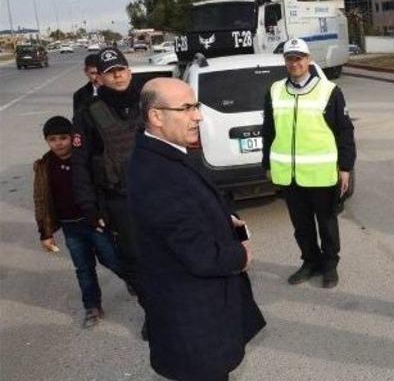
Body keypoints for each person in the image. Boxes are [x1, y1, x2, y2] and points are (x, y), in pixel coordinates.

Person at [127, 78, 266, 381]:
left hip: (203, 311)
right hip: (193, 320)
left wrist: (226, 217)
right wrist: (240, 255)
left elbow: (199, 200)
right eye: (187, 108)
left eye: (197, 107)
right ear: (156, 116)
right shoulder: (154, 173)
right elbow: (199, 253)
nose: (198, 116)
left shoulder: (168, 153)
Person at [262, 38, 356, 289]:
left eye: (299, 58)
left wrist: (345, 167)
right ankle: (310, 262)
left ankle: (329, 266)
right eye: (290, 59)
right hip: (289, 175)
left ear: (309, 60)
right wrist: (267, 165)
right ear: (285, 62)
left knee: (326, 224)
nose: (294, 63)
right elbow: (268, 131)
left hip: (321, 173)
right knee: (301, 225)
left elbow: (345, 131)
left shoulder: (329, 91)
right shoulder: (274, 90)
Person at [71, 47, 146, 334]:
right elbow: (81, 166)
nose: (118, 76)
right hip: (120, 199)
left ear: (129, 70)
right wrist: (89, 207)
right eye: (110, 72)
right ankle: (152, 310)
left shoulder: (148, 101)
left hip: (155, 193)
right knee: (134, 260)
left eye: (121, 69)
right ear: (99, 78)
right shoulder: (88, 113)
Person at [32, 116, 123, 329]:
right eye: (52, 139)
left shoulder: (84, 160)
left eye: (64, 137)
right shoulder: (44, 166)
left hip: (94, 222)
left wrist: (106, 215)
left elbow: (102, 188)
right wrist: (45, 233)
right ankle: (92, 306)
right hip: (70, 226)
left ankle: (135, 282)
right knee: (83, 268)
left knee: (112, 259)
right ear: (47, 141)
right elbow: (41, 200)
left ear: (73, 138)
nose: (59, 143)